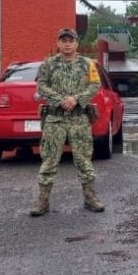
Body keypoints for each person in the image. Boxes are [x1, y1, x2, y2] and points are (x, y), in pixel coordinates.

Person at [30, 28, 105, 216]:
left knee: (84, 160)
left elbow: (95, 85)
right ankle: (43, 201)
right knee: (49, 161)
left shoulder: (87, 64)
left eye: (70, 40)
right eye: (63, 40)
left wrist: (76, 99)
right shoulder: (49, 64)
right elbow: (41, 85)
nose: (67, 44)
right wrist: (60, 99)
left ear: (76, 43)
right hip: (55, 118)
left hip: (79, 118)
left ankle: (90, 198)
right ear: (58, 43)